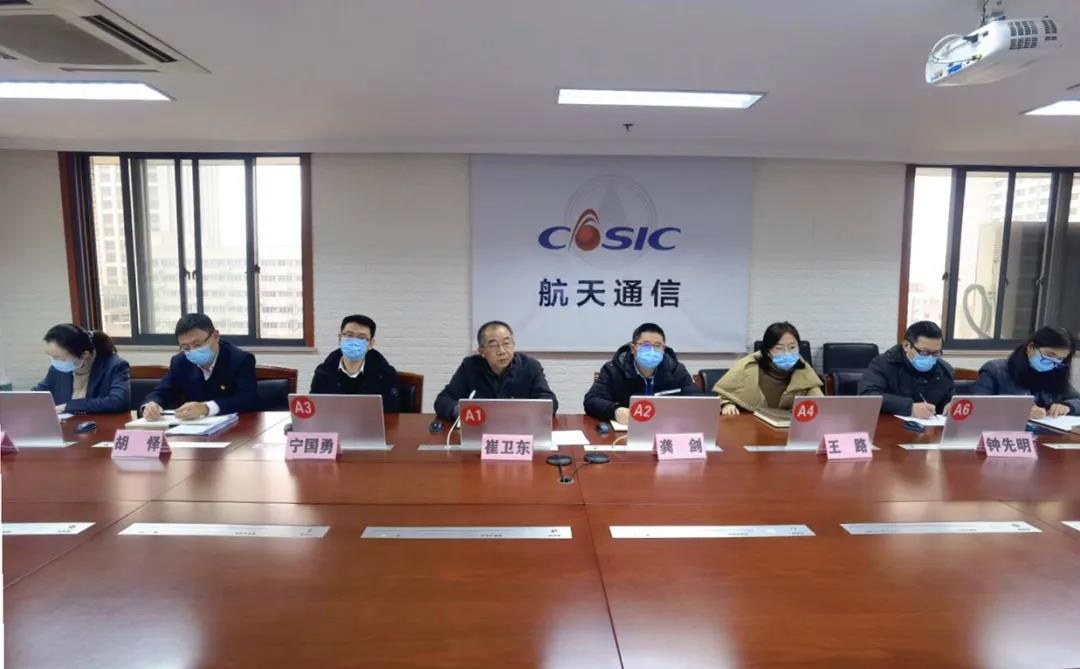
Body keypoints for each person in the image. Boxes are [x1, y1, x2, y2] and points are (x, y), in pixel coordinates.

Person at [141, 313, 259, 420]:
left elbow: (247, 399)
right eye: (186, 347)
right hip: (192, 429)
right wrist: (151, 405)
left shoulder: (239, 359)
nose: (192, 351)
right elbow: (162, 391)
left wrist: (206, 408)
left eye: (197, 345)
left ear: (215, 336)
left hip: (236, 428)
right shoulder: (180, 362)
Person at [434, 321, 558, 421]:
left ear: (513, 344)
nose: (502, 351)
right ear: (482, 351)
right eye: (493, 345)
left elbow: (550, 402)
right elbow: (443, 400)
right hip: (480, 430)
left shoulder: (530, 366)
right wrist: (462, 412)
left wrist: (526, 413)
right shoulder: (470, 367)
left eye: (506, 343)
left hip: (520, 429)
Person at [584, 322, 700, 423]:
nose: (652, 351)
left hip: (666, 428)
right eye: (646, 345)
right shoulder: (614, 370)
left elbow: (698, 400)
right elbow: (591, 401)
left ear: (663, 349)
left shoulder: (676, 370)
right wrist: (615, 410)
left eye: (657, 346)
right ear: (633, 348)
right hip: (626, 431)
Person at [714, 322, 823, 415]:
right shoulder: (747, 367)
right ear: (767, 351)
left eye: (792, 347)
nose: (787, 353)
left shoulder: (804, 370)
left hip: (788, 428)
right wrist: (727, 404)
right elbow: (723, 395)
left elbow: (820, 403)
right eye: (779, 348)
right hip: (752, 425)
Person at [972, 325, 1079, 418]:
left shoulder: (1056, 372)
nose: (1052, 362)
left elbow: (1077, 400)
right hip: (1005, 431)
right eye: (1049, 355)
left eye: (1060, 359)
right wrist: (1015, 411)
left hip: (1047, 431)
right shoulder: (996, 370)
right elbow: (976, 407)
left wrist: (1068, 406)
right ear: (1030, 347)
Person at [859, 320, 954, 418]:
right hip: (890, 423)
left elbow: (947, 399)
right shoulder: (883, 364)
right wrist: (910, 408)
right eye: (924, 352)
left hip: (928, 425)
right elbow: (868, 395)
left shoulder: (944, 370)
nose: (930, 358)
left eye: (936, 353)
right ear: (906, 346)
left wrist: (948, 406)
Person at [309, 314, 401, 412]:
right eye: (349, 335)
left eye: (361, 337)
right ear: (340, 339)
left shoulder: (385, 374)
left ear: (370, 344)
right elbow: (314, 409)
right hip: (333, 421)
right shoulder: (323, 372)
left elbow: (392, 411)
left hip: (368, 421)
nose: (354, 342)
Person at [33, 323, 130, 414]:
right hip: (65, 423)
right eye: (51, 357)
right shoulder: (58, 368)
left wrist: (67, 406)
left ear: (85, 355)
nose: (55, 362)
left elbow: (117, 401)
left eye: (59, 358)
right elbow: (38, 393)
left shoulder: (115, 365)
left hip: (100, 424)